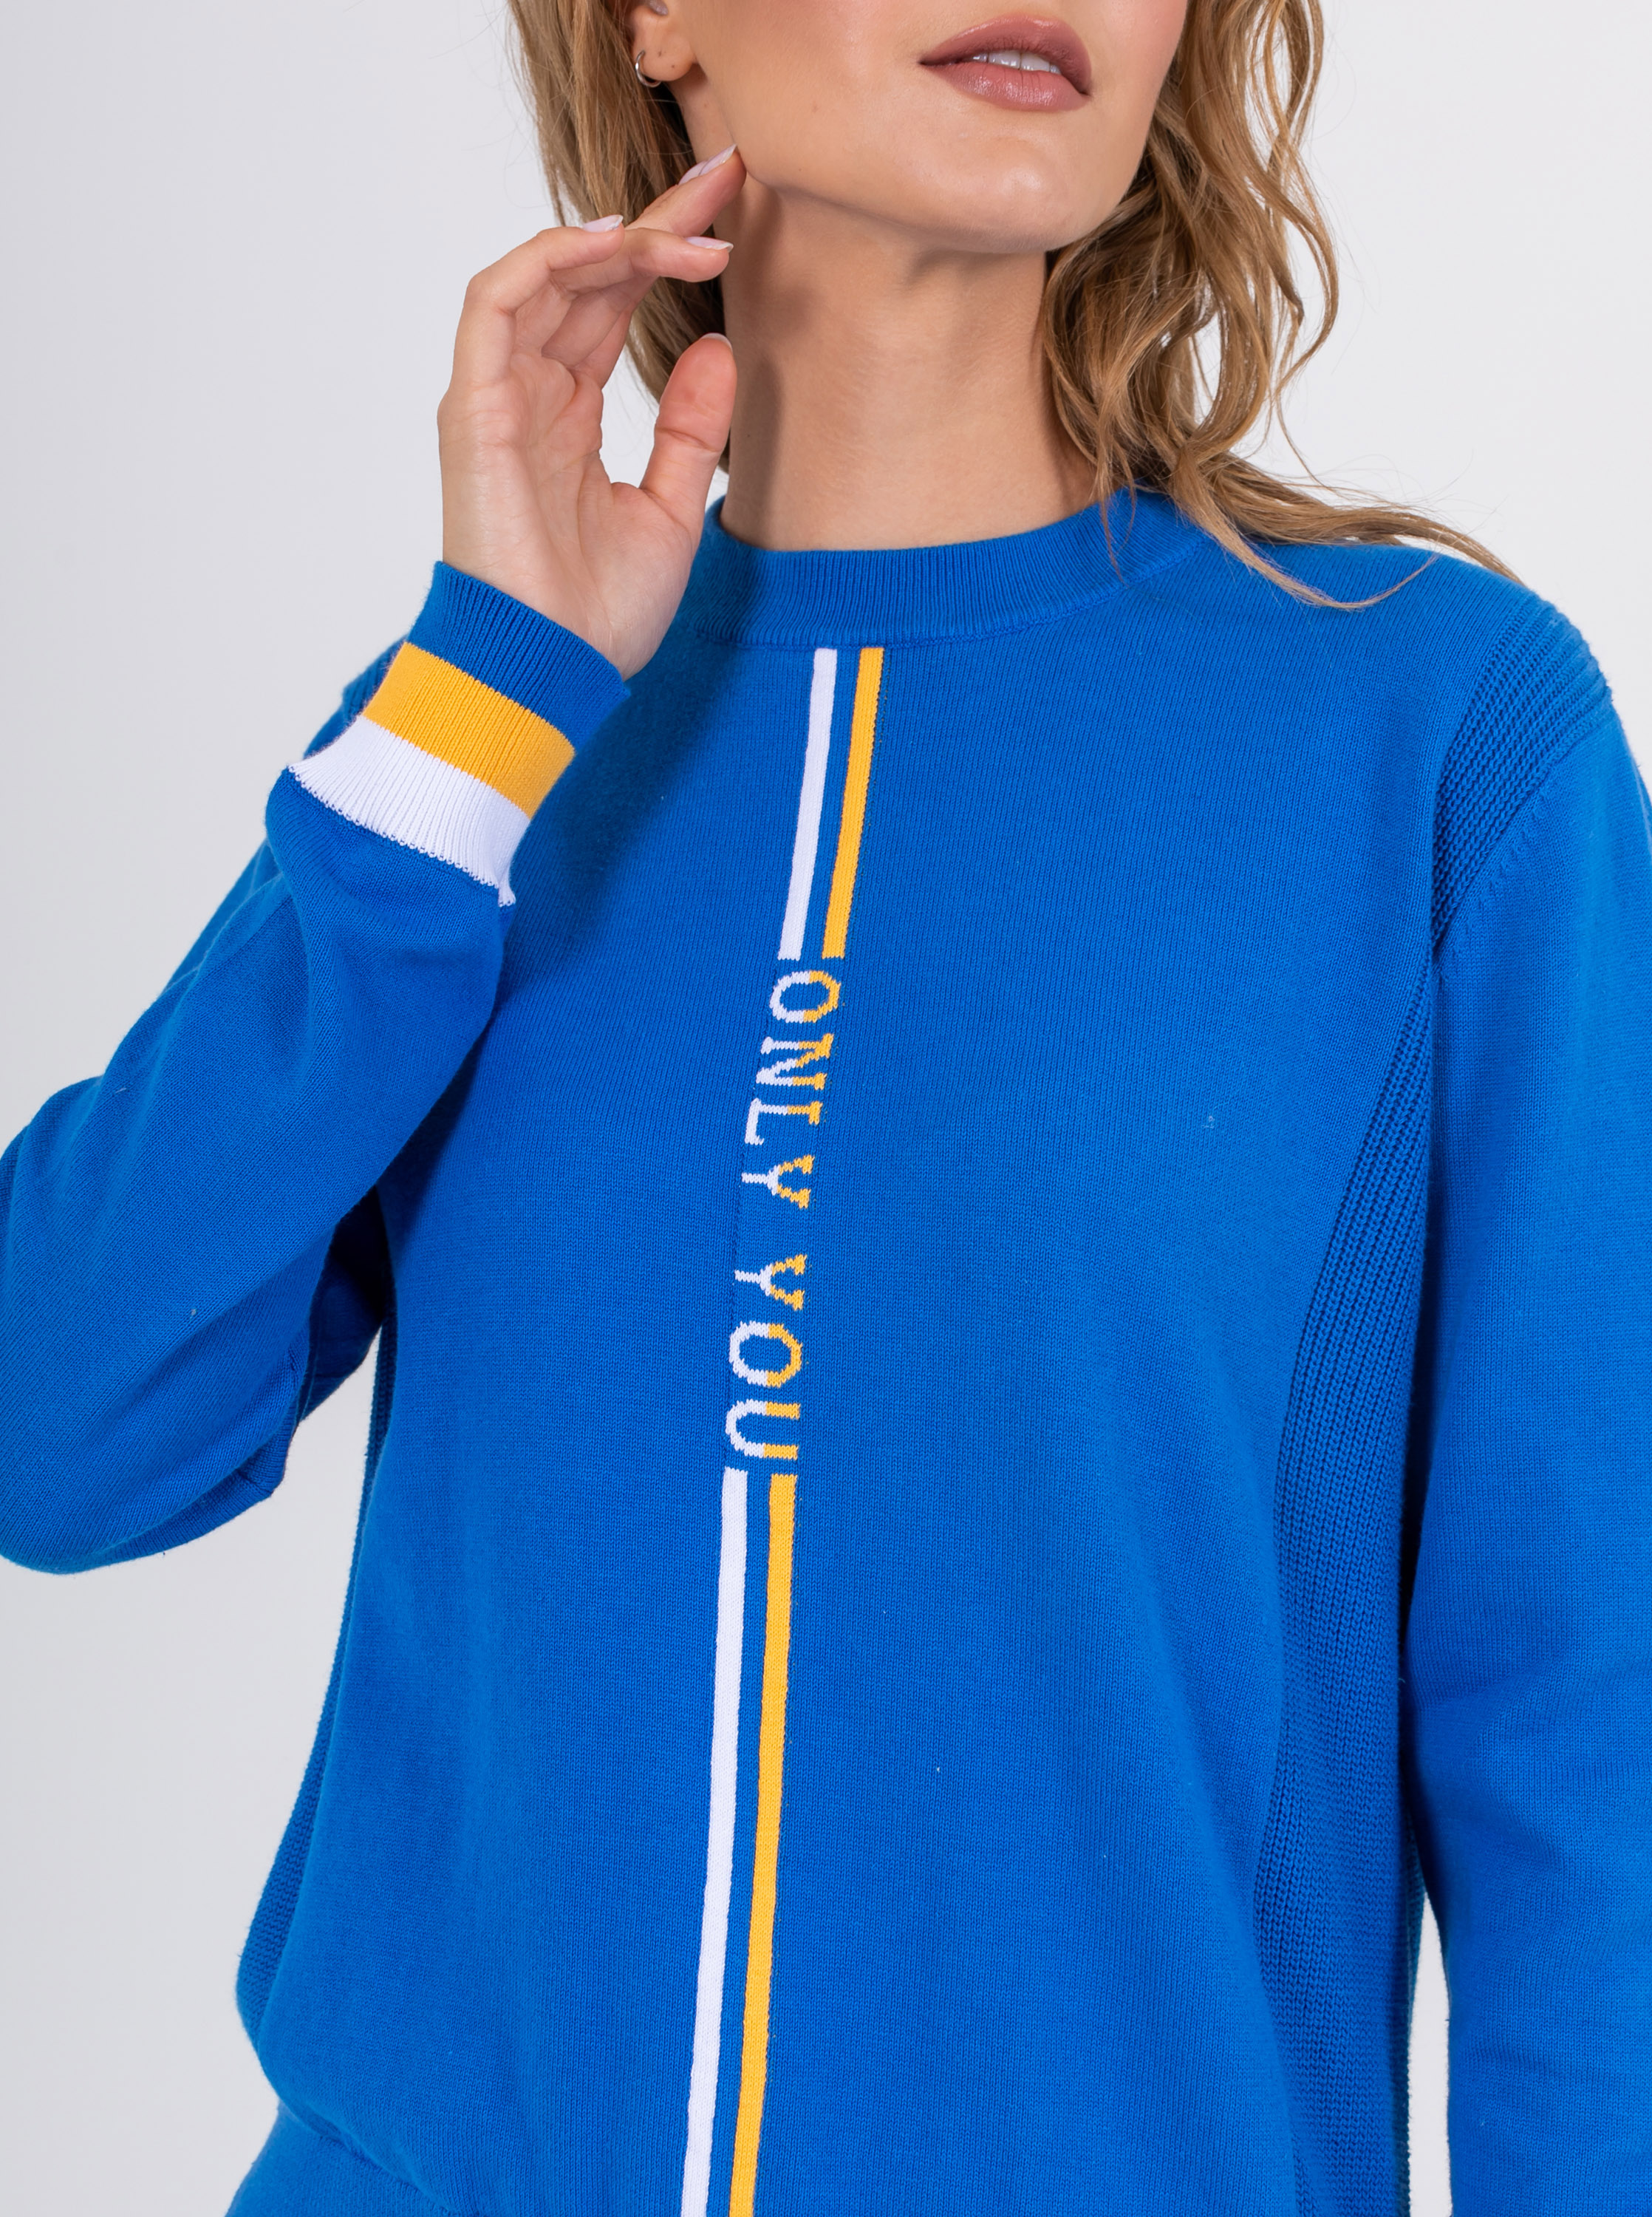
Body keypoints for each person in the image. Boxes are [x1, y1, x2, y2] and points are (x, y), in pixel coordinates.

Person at [1, 0, 1648, 2211]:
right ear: (652, 19)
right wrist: (474, 711)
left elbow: (1585, 1744)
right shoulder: (475, 760)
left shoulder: (1426, 738)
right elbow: (58, 1429)